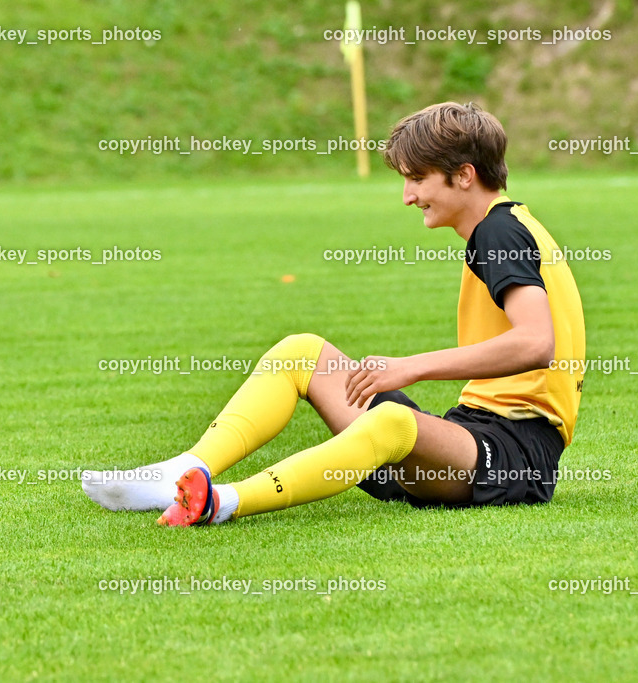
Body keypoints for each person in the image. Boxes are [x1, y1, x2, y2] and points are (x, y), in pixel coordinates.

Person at [82, 102, 586, 526]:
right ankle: (181, 472)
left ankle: (221, 503)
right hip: (468, 437)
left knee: (393, 421)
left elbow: (535, 342)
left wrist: (410, 367)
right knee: (301, 353)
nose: (408, 196)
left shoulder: (499, 231)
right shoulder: (504, 227)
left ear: (464, 175)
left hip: (516, 454)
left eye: (417, 178)